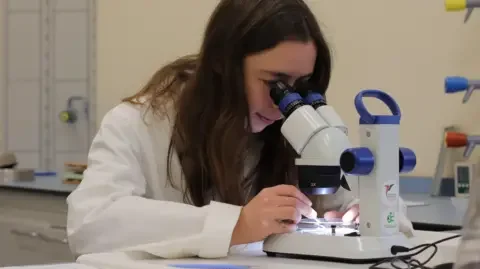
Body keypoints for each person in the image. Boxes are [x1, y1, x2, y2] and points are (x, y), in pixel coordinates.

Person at [66, 0, 412, 259]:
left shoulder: (291, 134)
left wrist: (374, 212)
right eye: (274, 83)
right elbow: (90, 224)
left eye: (300, 85)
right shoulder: (137, 123)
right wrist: (236, 224)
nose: (284, 103)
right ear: (224, 67)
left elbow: (361, 205)